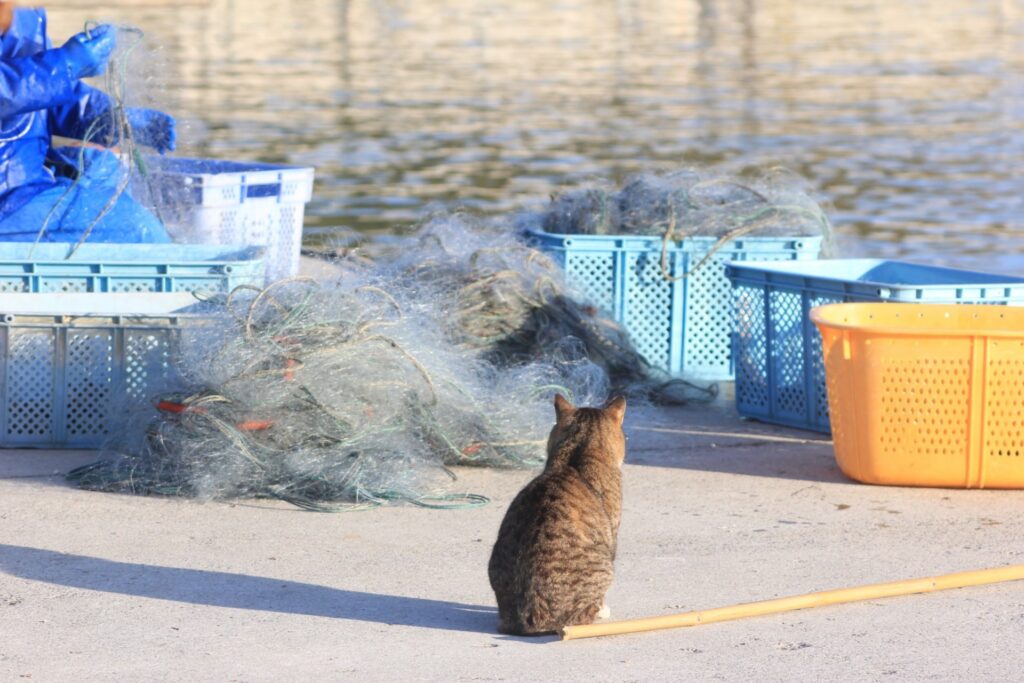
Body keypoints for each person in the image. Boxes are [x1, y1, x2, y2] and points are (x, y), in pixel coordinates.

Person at [0, 3, 175, 243]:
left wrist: (114, 119)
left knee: (105, 165)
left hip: (24, 179)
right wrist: (65, 64)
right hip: (8, 201)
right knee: (137, 229)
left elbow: (50, 102)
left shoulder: (24, 22)